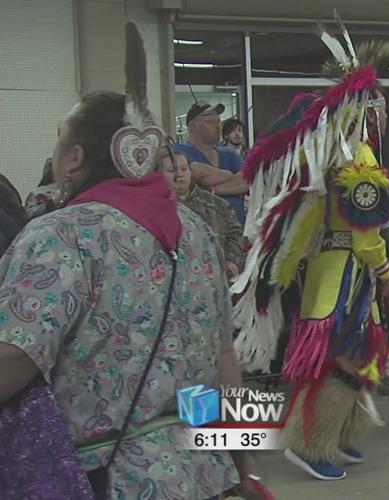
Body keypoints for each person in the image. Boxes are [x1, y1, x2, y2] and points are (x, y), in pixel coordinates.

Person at [0, 23, 243, 498]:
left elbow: (13, 355)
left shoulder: (62, 233)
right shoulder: (195, 230)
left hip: (105, 479)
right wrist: (240, 457)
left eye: (58, 140)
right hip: (204, 472)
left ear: (74, 158)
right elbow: (225, 358)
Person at [230, 25, 389, 482]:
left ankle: (342, 431)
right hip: (344, 274)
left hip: (339, 271)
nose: (385, 119)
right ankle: (311, 441)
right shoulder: (356, 158)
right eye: (382, 111)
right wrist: (387, 272)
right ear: (368, 114)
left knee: (360, 353)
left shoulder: (335, 153)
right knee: (342, 359)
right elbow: (365, 234)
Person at [159, 146, 245, 279]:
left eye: (184, 169)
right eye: (172, 170)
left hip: (216, 276)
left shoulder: (216, 204)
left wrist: (232, 261)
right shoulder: (155, 209)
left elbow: (234, 233)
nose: (180, 174)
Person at [173, 101, 249, 223]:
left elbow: (247, 180)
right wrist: (230, 175)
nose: (218, 126)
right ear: (193, 126)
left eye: (218, 122)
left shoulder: (228, 154)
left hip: (237, 229)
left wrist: (210, 190)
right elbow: (197, 172)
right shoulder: (179, 150)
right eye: (211, 122)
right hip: (201, 229)